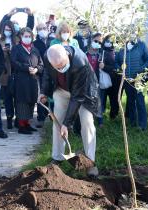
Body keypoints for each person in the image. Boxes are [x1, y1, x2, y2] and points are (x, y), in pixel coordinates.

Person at [40, 44, 101, 176]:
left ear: (67, 55)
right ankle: (57, 157)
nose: (61, 69)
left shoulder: (80, 62)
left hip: (84, 93)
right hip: (62, 90)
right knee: (57, 122)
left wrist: (67, 124)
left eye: (63, 65)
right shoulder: (47, 56)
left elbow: (77, 97)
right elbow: (46, 73)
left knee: (87, 123)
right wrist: (43, 91)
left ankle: (90, 161)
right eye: (58, 68)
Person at [115, 31, 148, 130]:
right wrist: (120, 70)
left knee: (140, 101)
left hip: (138, 79)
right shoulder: (122, 47)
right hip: (127, 79)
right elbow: (117, 62)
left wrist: (141, 70)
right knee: (130, 101)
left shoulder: (141, 45)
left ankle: (142, 125)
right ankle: (132, 123)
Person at [11, 27, 43, 134]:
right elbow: (14, 62)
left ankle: (27, 123)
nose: (27, 38)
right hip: (21, 80)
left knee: (31, 101)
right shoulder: (17, 48)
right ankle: (21, 125)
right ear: (21, 37)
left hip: (33, 80)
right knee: (22, 102)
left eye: (29, 36)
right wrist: (26, 68)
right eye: (25, 36)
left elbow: (41, 64)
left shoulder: (35, 49)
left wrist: (37, 69)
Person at [0, 20, 18, 129]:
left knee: (17, 97)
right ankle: (9, 118)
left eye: (10, 29)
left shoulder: (17, 40)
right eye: (6, 29)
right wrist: (2, 51)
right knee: (7, 98)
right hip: (4, 74)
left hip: (16, 72)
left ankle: (18, 119)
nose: (8, 31)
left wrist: (11, 51)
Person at [33, 23, 50, 128]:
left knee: (52, 93)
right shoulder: (35, 43)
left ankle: (51, 115)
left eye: (44, 28)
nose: (42, 30)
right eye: (40, 29)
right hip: (41, 72)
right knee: (42, 93)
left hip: (53, 70)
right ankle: (41, 118)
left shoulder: (52, 41)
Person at [101, 35, 121, 121]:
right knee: (103, 97)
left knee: (114, 98)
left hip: (115, 79)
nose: (108, 43)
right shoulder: (101, 52)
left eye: (110, 41)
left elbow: (116, 67)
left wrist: (105, 67)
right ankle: (101, 115)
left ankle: (114, 115)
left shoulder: (116, 52)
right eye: (106, 41)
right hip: (104, 79)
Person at [86, 33, 103, 126]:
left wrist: (103, 66)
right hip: (86, 80)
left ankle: (100, 121)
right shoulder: (85, 53)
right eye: (96, 41)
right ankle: (89, 119)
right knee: (88, 100)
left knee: (98, 100)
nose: (97, 43)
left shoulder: (101, 54)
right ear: (91, 40)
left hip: (98, 81)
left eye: (100, 42)